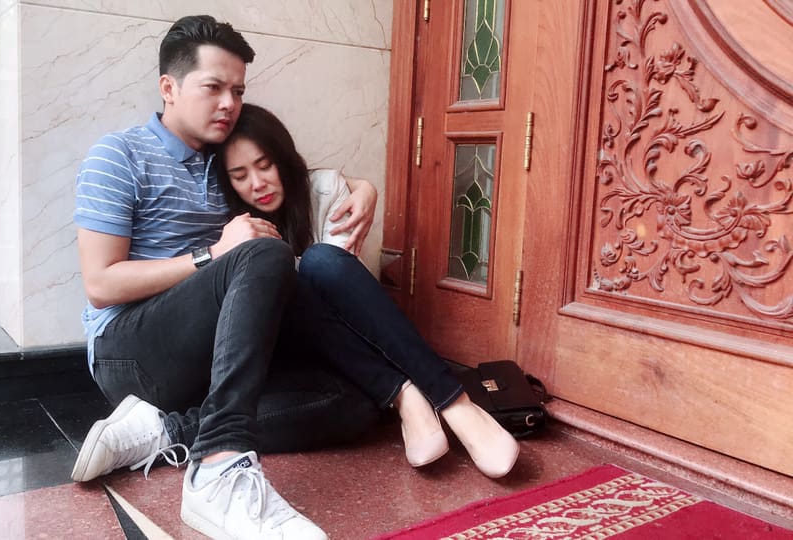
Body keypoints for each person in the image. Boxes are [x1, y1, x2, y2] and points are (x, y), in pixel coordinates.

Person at [71, 16, 380, 540]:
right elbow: (101, 285)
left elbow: (294, 177)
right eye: (213, 87)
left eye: (237, 91)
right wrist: (213, 254)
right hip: (130, 353)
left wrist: (363, 187)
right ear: (169, 87)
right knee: (263, 253)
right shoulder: (118, 155)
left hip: (214, 356)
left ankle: (169, 428)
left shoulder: (227, 163)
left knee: (353, 404)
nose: (228, 103)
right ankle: (218, 467)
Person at [216, 103, 521, 477]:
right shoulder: (232, 225)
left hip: (345, 340)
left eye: (265, 166)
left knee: (320, 262)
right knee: (284, 281)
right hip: (296, 354)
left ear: (284, 157)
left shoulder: (324, 190)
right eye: (240, 175)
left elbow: (341, 288)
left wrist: (362, 187)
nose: (257, 183)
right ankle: (409, 396)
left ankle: (453, 404)